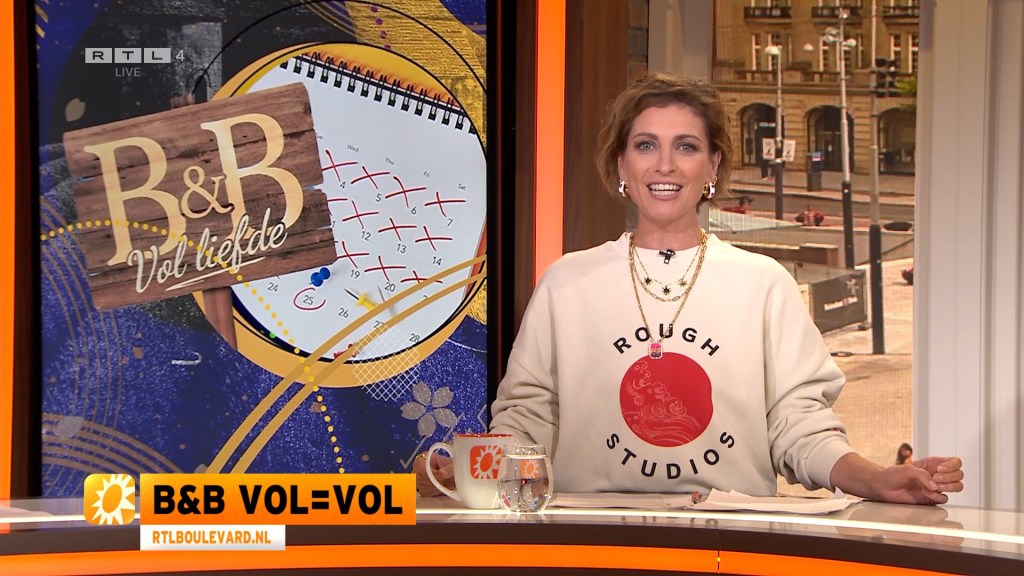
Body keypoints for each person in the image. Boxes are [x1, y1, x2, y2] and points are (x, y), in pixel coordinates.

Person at [415, 73, 963, 505]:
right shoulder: (566, 282)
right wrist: (465, 472)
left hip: (728, 543)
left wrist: (876, 479)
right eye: (646, 145)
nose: (665, 165)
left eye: (686, 146)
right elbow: (525, 423)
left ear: (712, 165)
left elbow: (801, 429)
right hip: (592, 542)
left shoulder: (764, 284)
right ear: (621, 164)